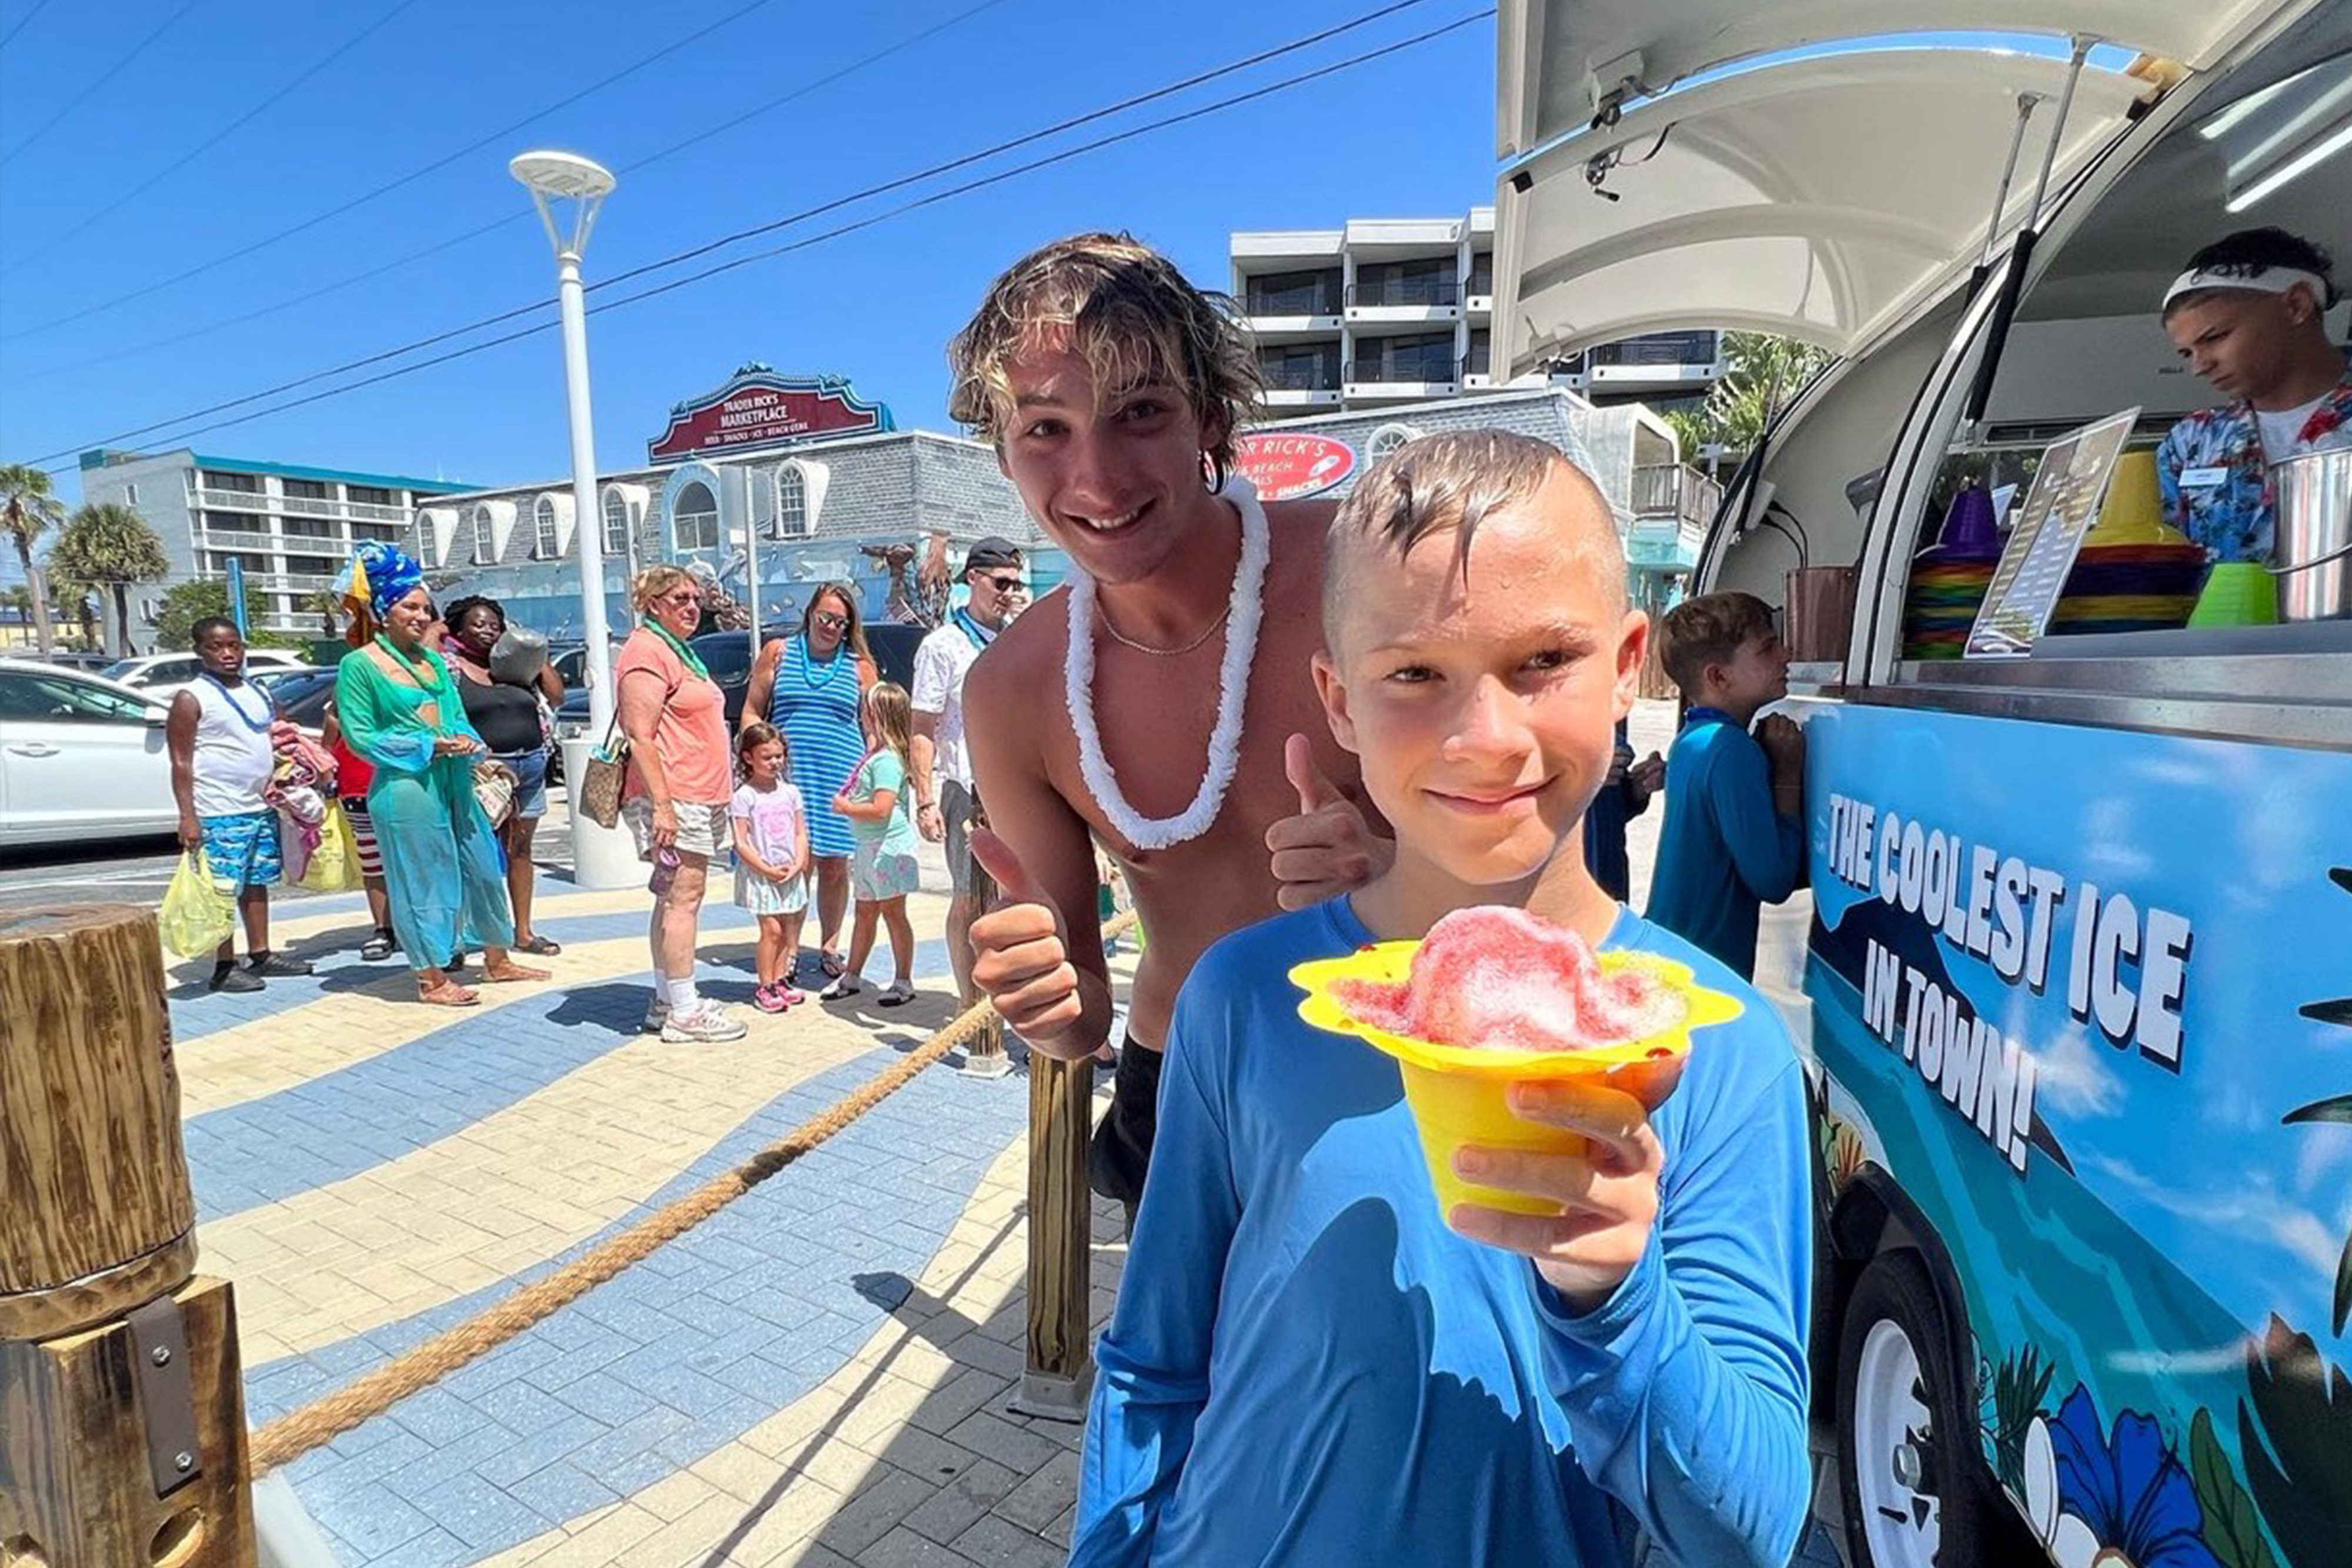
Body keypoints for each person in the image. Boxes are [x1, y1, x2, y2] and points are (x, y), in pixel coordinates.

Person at [1073, 430, 1811, 1566]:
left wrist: (1611, 1291)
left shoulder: (1717, 1048)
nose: (1485, 737)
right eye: (1416, 673)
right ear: (1338, 697)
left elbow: (1750, 1526)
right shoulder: (1246, 998)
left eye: (1543, 661)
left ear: (1627, 665)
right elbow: (1153, 1365)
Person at [949, 233, 1386, 1216]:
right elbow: (1080, 1012)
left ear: (1211, 418)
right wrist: (1041, 1003)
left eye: (1140, 412)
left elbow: (1535, 845)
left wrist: (1398, 869)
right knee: (1192, 1367)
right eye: (1047, 430)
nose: (1097, 480)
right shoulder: (1012, 689)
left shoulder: (1366, 571)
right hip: (1178, 1078)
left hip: (1395, 1066)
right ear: (1004, 451)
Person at [331, 546, 548, 1007]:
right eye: (410, 606)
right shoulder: (359, 665)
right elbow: (359, 736)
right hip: (406, 788)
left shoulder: (432, 663)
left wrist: (474, 748)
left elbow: (456, 718)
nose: (421, 615)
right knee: (422, 880)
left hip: (455, 781)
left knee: (485, 869)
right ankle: (430, 977)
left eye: (425, 608)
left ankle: (497, 957)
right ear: (384, 610)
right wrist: (428, 746)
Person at [2158, 226, 2352, 563]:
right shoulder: (2191, 443)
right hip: (2219, 618)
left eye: (2215, 337)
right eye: (2187, 353)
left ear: (2296, 305)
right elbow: (2161, 570)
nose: (2201, 366)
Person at [617, 565, 747, 1044]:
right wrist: (665, 807)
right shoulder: (647, 652)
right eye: (679, 599)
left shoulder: (677, 650)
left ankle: (667, 997)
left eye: (696, 599)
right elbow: (640, 735)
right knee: (683, 900)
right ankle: (685, 1011)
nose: (692, 607)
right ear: (653, 604)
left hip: (701, 793)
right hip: (678, 794)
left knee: (673, 898)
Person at [1643, 591, 1805, 977]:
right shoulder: (1732, 749)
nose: (1786, 654)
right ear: (1718, 676)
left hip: (1672, 958)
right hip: (1703, 977)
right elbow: (1773, 880)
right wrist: (1788, 775)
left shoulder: (1692, 739)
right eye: (1768, 649)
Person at [166, 617, 313, 992]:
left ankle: (261, 953)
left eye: (234, 645)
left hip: (259, 805)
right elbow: (181, 761)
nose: (228, 654)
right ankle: (224, 965)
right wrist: (188, 816)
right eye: (216, 647)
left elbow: (279, 736)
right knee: (222, 888)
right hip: (218, 809)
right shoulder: (192, 697)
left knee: (257, 881)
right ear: (199, 651)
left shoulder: (257, 691)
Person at [743, 581, 877, 983]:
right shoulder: (779, 652)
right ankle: (789, 948)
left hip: (841, 776)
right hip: (789, 777)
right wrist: (755, 757)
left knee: (835, 864)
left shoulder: (859, 666)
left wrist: (873, 768)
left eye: (841, 621)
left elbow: (873, 727)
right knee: (794, 863)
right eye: (825, 617)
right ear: (810, 614)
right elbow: (752, 711)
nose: (831, 627)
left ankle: (830, 945)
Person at [908, 536, 1024, 1003]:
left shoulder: (1019, 637)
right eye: (1001, 582)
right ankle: (969, 1003)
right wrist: (924, 799)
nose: (1010, 593)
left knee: (1014, 896)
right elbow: (922, 727)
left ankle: (1006, 994)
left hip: (1017, 787)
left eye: (1017, 584)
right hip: (967, 788)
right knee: (968, 896)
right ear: (973, 579)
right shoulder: (944, 646)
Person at [444, 594, 564, 956]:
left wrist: (531, 652)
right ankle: (467, 935)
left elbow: (556, 696)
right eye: (477, 624)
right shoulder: (450, 668)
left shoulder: (514, 668)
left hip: (529, 766)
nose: (487, 631)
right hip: (485, 773)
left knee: (520, 850)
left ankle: (523, 931)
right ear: (459, 629)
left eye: (495, 625)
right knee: (474, 855)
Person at [822, 681, 921, 1006]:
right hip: (868, 846)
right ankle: (852, 973)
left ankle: (903, 980)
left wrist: (847, 808)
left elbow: (882, 809)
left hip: (888, 847)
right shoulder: (874, 756)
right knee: (864, 912)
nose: (861, 713)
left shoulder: (887, 761)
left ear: (877, 714)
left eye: (866, 708)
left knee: (894, 912)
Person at [731, 721, 809, 1014]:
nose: (776, 762)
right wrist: (764, 868)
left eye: (779, 756)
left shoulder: (790, 792)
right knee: (771, 930)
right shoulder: (744, 796)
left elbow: (801, 832)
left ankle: (779, 980)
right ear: (749, 758)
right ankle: (765, 984)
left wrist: (800, 862)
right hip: (762, 874)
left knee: (788, 928)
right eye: (768, 757)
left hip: (789, 871)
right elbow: (741, 841)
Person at [320, 697, 396, 960]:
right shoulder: (339, 708)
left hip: (399, 788)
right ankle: (383, 928)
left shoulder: (397, 697)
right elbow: (328, 749)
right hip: (356, 793)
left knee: (409, 859)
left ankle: (416, 925)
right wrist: (329, 782)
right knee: (373, 862)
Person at [1581, 717, 1664, 903]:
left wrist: (1635, 789)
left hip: (1609, 888)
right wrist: (1575, 776)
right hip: (1554, 906)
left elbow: (1606, 808)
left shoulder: (1600, 724)